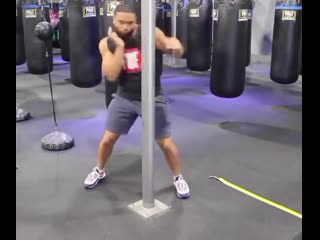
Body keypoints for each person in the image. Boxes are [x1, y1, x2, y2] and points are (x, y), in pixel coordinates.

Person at [84, 3, 190, 199]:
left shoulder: (150, 33)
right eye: (121, 22)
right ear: (113, 20)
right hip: (124, 96)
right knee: (108, 139)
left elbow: (171, 44)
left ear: (137, 22)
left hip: (153, 95)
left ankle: (178, 177)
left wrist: (175, 47)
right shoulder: (106, 43)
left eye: (130, 23)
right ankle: (99, 170)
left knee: (165, 142)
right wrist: (120, 48)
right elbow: (111, 74)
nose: (125, 27)